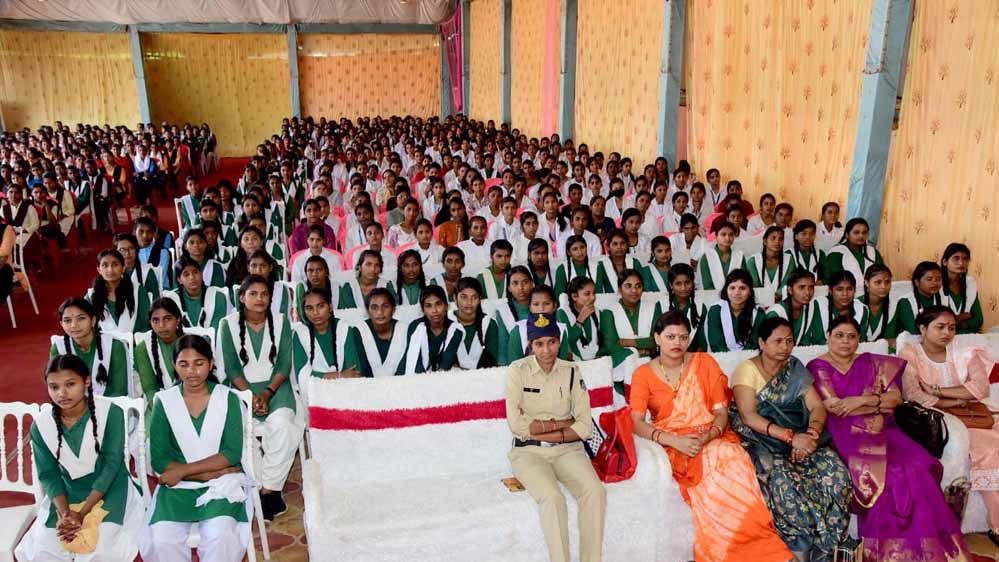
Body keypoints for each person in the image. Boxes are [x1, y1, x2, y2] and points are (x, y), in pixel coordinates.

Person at [629, 311, 792, 562]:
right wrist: (674, 441)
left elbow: (720, 412)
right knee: (710, 475)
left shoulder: (704, 363)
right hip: (672, 443)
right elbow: (636, 422)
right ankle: (730, 554)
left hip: (711, 436)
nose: (677, 343)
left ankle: (762, 549)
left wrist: (708, 436)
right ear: (657, 338)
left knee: (731, 457)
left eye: (683, 337)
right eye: (670, 337)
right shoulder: (643, 374)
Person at [807, 317, 972, 562]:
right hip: (846, 433)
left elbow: (894, 399)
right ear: (828, 336)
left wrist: (862, 400)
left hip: (886, 428)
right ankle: (890, 554)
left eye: (851, 336)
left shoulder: (874, 363)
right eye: (839, 335)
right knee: (889, 476)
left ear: (859, 339)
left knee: (920, 465)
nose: (845, 341)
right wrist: (877, 402)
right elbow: (835, 407)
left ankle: (924, 548)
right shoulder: (818, 366)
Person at [729, 317, 853, 561]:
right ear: (762, 343)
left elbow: (817, 407)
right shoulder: (747, 370)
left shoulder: (795, 368)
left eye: (789, 341)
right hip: (765, 441)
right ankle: (798, 551)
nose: (785, 347)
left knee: (837, 476)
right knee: (784, 484)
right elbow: (749, 416)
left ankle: (827, 550)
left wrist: (811, 435)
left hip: (803, 438)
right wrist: (790, 438)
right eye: (778, 341)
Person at [16, 354, 143, 562]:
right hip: (65, 494)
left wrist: (82, 513)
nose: (61, 393)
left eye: (70, 384)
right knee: (44, 550)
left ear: (87, 381)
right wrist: (66, 514)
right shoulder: (41, 425)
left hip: (110, 489)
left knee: (101, 550)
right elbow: (48, 474)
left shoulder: (109, 413)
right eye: (54, 387)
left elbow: (111, 465)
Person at [505, 312, 606, 562]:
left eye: (551, 342)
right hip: (528, 452)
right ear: (531, 344)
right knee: (552, 497)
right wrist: (561, 424)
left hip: (567, 451)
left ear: (559, 342)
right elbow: (517, 425)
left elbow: (584, 426)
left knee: (595, 491)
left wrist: (550, 432)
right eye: (539, 343)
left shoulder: (571, 370)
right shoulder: (518, 370)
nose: (546, 350)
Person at [141, 334, 250, 562]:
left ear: (211, 364)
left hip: (220, 485)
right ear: (174, 365)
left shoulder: (227, 398)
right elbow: (159, 460)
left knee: (220, 536)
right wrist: (206, 473)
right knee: (163, 539)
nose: (191, 371)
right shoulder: (164, 401)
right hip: (178, 487)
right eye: (184, 364)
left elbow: (231, 453)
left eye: (199, 363)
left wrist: (183, 470)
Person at [899, 305, 999, 541]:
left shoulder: (965, 352)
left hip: (978, 414)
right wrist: (957, 400)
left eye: (952, 328)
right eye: (940, 327)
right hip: (943, 419)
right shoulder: (910, 354)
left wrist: (937, 391)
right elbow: (915, 396)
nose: (947, 333)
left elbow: (980, 389)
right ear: (923, 329)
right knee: (990, 449)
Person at [217, 275, 301, 521]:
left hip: (276, 387)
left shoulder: (281, 321)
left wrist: (266, 393)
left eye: (264, 294)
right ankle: (263, 486)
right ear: (242, 298)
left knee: (283, 427)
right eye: (253, 294)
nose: (259, 299)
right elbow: (232, 368)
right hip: (241, 388)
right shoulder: (227, 324)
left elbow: (284, 365)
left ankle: (268, 490)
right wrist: (250, 396)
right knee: (243, 432)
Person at [598, 269, 661, 399]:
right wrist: (641, 350)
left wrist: (629, 342)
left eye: (638, 286)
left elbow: (657, 340)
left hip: (650, 364)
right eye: (628, 286)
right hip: (620, 368)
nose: (634, 290)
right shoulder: (609, 311)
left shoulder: (653, 308)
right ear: (620, 289)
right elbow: (611, 346)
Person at [341, 288, 410, 376]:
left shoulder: (405, 330)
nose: (380, 312)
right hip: (368, 383)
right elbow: (361, 368)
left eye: (385, 306)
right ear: (368, 311)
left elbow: (407, 366)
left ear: (393, 309)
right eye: (374, 307)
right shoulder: (359, 330)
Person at [135, 298, 186, 404]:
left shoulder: (191, 343)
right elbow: (150, 389)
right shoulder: (143, 348)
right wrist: (161, 409)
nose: (161, 325)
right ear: (150, 322)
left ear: (178, 319)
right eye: (155, 320)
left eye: (167, 319)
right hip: (158, 402)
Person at [87, 248, 150, 334]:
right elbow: (89, 327)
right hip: (104, 342)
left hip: (137, 341)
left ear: (123, 268)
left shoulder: (138, 291)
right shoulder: (91, 296)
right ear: (99, 270)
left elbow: (147, 324)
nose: (110, 269)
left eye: (115, 265)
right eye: (105, 265)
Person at [404, 285, 463, 373]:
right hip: (416, 377)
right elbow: (415, 363)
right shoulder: (416, 327)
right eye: (428, 306)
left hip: (444, 376)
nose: (434, 310)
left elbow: (446, 362)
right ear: (423, 310)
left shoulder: (456, 329)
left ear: (446, 306)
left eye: (438, 304)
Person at [704, 269, 765, 352]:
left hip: (749, 358)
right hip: (721, 357)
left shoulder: (758, 313)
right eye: (732, 288)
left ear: (750, 291)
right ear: (726, 290)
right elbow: (716, 344)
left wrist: (740, 359)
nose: (737, 293)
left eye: (742, 288)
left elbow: (754, 344)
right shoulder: (716, 310)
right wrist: (730, 359)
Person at [506, 286, 571, 363]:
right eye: (536, 304)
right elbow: (514, 365)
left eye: (547, 304)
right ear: (530, 307)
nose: (541, 309)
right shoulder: (519, 331)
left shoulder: (561, 329)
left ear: (554, 306)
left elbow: (562, 364)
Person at [766, 269, 826, 346]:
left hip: (805, 352)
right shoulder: (776, 313)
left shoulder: (812, 307)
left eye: (811, 287)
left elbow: (819, 339)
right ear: (790, 290)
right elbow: (771, 345)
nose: (807, 292)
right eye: (802, 287)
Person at [822, 218, 884, 291]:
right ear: (847, 235)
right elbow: (834, 279)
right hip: (844, 294)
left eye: (864, 232)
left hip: (872, 293)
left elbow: (882, 274)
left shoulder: (872, 251)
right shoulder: (837, 252)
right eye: (856, 232)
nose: (861, 236)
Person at [452, 277, 497, 369]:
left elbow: (492, 361)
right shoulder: (447, 320)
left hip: (482, 376)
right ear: (455, 298)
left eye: (474, 297)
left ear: (480, 299)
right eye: (464, 297)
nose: (469, 302)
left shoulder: (488, 323)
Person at [940, 243, 983, 334]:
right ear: (945, 262)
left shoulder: (970, 284)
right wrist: (960, 318)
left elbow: (978, 319)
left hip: (967, 336)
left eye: (965, 259)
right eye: (956, 258)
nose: (961, 263)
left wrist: (961, 324)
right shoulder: (935, 284)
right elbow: (935, 320)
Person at [895, 261, 945, 336]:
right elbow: (913, 332)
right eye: (929, 279)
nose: (934, 283)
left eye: (938, 279)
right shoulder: (905, 302)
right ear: (917, 282)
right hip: (910, 340)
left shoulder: (943, 298)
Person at [818, 270, 870, 341]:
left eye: (849, 289)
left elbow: (860, 341)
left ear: (855, 290)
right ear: (830, 290)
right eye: (839, 289)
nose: (845, 294)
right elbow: (817, 340)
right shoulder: (819, 306)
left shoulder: (861, 309)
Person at [559, 277, 601, 361]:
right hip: (575, 361)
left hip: (597, 360)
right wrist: (581, 318)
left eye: (594, 293)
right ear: (574, 296)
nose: (593, 297)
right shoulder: (562, 313)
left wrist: (601, 354)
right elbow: (567, 343)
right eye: (587, 294)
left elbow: (604, 339)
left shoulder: (597, 311)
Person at [743, 226, 794, 295]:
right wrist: (768, 297)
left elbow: (787, 283)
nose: (777, 242)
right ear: (765, 242)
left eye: (781, 239)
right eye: (773, 238)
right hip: (759, 298)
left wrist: (778, 295)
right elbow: (755, 285)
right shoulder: (753, 261)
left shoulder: (789, 259)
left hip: (782, 298)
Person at [858, 263, 898, 344]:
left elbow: (890, 338)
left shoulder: (893, 304)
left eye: (887, 282)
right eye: (878, 282)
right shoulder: (857, 304)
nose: (883, 286)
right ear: (867, 283)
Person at [698, 222, 743, 291]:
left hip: (736, 294)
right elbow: (707, 286)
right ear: (716, 237)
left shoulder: (739, 256)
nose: (727, 238)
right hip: (711, 296)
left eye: (731, 235)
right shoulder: (707, 257)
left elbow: (743, 281)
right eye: (723, 234)